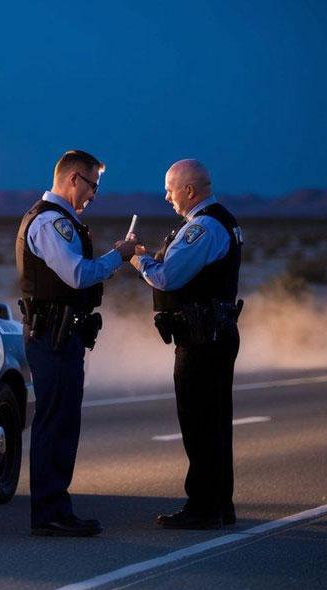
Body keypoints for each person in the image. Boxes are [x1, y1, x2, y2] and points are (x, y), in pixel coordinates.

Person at [16, 150, 138, 537]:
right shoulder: (53, 223)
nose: (93, 196)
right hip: (53, 336)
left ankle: (56, 509)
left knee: (62, 422)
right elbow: (77, 275)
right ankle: (49, 513)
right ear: (72, 179)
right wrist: (117, 257)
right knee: (55, 423)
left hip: (61, 335)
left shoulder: (56, 220)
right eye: (92, 186)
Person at [129, 159, 243, 530]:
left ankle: (204, 507)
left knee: (199, 423)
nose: (166, 196)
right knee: (215, 422)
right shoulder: (219, 220)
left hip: (201, 339)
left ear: (189, 190)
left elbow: (169, 277)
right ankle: (219, 505)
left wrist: (138, 258)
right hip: (213, 334)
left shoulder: (204, 227)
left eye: (170, 189)